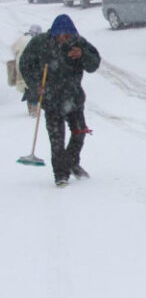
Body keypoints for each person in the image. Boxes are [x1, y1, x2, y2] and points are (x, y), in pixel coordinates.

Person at [19, 14, 101, 187]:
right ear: (55, 32)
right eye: (63, 35)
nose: (66, 38)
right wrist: (35, 85)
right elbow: (25, 63)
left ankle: (71, 162)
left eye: (69, 35)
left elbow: (94, 64)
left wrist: (82, 55)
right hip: (51, 98)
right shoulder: (41, 43)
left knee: (79, 132)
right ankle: (60, 174)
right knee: (57, 139)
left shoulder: (78, 43)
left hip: (74, 97)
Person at [11, 24, 43, 116]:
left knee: (27, 87)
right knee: (33, 87)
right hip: (32, 68)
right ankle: (33, 109)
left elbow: (13, 48)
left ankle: (31, 107)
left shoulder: (22, 39)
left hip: (20, 66)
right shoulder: (36, 41)